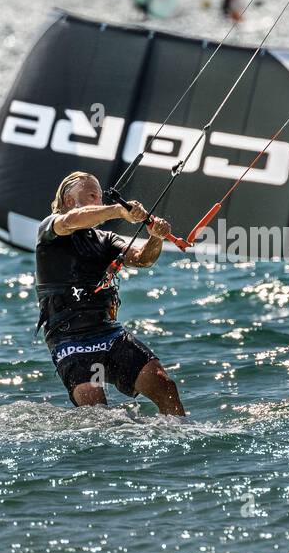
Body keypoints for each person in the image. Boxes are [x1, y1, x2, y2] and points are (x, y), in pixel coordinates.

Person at [34, 171, 187, 415]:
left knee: (165, 386)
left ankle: (183, 438)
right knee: (97, 412)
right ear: (69, 201)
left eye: (100, 198)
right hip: (69, 340)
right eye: (92, 196)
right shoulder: (51, 228)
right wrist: (118, 210)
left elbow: (142, 259)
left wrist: (155, 238)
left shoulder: (106, 239)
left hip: (108, 333)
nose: (99, 202)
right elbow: (72, 221)